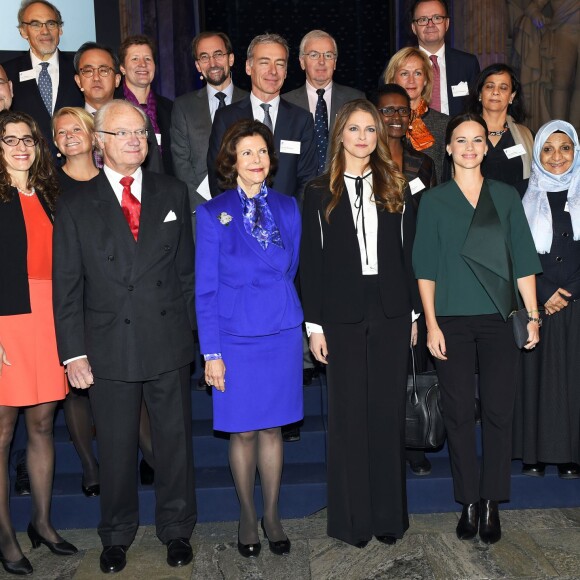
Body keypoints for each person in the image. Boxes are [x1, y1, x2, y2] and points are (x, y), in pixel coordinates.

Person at [52, 100, 196, 574]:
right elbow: (67, 284)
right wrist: (72, 352)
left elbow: (186, 273)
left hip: (166, 338)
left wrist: (191, 335)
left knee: (173, 442)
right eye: (124, 133)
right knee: (114, 445)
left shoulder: (172, 192)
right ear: (100, 142)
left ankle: (176, 530)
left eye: (142, 131)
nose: (136, 140)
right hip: (107, 343)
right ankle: (115, 534)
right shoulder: (75, 202)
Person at [413, 113, 541, 544]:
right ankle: (467, 499)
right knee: (458, 413)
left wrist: (533, 315)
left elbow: (523, 260)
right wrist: (430, 324)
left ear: (487, 148)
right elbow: (425, 269)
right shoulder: (433, 201)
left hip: (499, 320)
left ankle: (491, 502)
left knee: (500, 412)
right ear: (447, 148)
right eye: (461, 141)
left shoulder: (505, 197)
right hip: (449, 319)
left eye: (477, 140)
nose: (469, 147)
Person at [301, 99, 420, 547]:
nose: (364, 137)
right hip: (340, 314)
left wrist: (411, 314)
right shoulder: (317, 191)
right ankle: (352, 522)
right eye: (355, 128)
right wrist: (315, 326)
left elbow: (408, 254)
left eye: (371, 129)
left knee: (387, 415)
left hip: (390, 310)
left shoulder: (397, 185)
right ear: (340, 135)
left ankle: (390, 519)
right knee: (348, 418)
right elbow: (310, 264)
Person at [196, 119, 303, 558]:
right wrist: (212, 352)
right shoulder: (211, 212)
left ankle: (273, 513)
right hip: (235, 336)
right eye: (247, 154)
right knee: (242, 433)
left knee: (273, 429)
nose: (256, 161)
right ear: (231, 162)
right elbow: (205, 287)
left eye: (262, 152)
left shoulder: (288, 207)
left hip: (279, 331)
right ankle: (246, 513)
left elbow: (291, 267)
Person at [0, 110, 77, 576]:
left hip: (50, 317)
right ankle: (5, 535)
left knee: (44, 423)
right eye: (9, 140)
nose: (21, 147)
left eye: (27, 139)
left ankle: (42, 524)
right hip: (7, 319)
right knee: (2, 432)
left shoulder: (51, 194)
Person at [374, 83, 436, 477]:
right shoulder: (363, 162)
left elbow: (430, 219)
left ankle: (413, 441)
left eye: (402, 111)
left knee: (414, 361)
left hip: (415, 270)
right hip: (377, 274)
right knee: (381, 364)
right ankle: (384, 441)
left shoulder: (422, 164)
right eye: (387, 111)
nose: (396, 118)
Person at [513, 120, 580, 479]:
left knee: (572, 378)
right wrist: (542, 291)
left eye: (565, 148)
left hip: (576, 301)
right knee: (534, 378)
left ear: (576, 152)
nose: (557, 156)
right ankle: (532, 454)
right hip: (535, 300)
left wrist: (568, 291)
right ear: (537, 153)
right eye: (548, 149)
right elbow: (515, 249)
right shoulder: (523, 194)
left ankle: (571, 454)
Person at [207, 33, 318, 201]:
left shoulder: (302, 120)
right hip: (238, 222)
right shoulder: (226, 118)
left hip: (287, 222)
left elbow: (307, 180)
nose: (273, 71)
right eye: (265, 62)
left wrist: (289, 218)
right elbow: (218, 179)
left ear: (286, 72)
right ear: (248, 67)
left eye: (279, 64)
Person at [171, 31, 247, 221]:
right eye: (204, 57)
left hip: (247, 208)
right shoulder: (183, 106)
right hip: (201, 211)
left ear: (231, 59)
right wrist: (206, 206)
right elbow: (181, 163)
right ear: (198, 66)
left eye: (218, 54)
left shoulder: (251, 102)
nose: (212, 63)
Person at [1, 1, 83, 154]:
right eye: (36, 24)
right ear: (23, 32)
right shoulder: (7, 72)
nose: (45, 31)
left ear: (60, 29)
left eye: (51, 24)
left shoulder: (80, 68)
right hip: (28, 168)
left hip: (75, 166)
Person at [283, 30, 365, 175]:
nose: (321, 61)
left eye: (328, 55)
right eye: (314, 55)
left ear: (335, 63)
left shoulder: (355, 99)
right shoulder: (285, 102)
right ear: (302, 62)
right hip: (299, 191)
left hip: (343, 187)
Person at [73, 41, 163, 173]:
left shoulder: (136, 119)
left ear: (117, 80)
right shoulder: (69, 123)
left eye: (104, 70)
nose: (96, 78)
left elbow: (154, 171)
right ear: (78, 80)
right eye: (88, 71)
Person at [465, 63, 533, 195]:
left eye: (503, 88)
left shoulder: (528, 136)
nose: (495, 92)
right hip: (471, 212)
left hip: (515, 211)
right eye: (490, 86)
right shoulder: (462, 132)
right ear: (480, 93)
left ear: (512, 96)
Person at [383, 47, 448, 182]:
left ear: (425, 80)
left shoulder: (445, 124)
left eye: (417, 73)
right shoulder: (380, 121)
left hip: (431, 200)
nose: (411, 80)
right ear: (393, 79)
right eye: (404, 74)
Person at [410, 0, 480, 116]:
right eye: (423, 20)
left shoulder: (468, 64)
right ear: (413, 28)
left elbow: (477, 108)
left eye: (437, 18)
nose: (430, 24)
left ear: (446, 23)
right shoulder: (399, 65)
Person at [119, 34, 174, 176]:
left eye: (148, 59)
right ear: (123, 68)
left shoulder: (171, 109)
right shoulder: (113, 109)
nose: (142, 64)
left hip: (165, 187)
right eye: (135, 59)